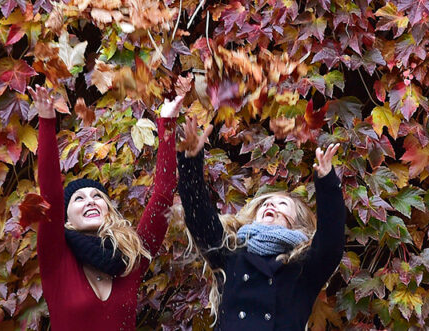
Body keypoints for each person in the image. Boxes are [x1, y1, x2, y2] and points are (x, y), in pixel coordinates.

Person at [177, 112, 346, 330]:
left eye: (283, 205)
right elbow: (199, 216)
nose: (271, 205)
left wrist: (327, 182)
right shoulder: (230, 254)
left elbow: (331, 242)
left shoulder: (304, 268)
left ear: (297, 222)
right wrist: (190, 162)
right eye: (265, 203)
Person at [33, 87, 178, 331]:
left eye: (97, 196)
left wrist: (168, 122)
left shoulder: (132, 257)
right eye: (78, 199)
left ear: (108, 210)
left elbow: (163, 194)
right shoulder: (56, 256)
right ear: (65, 217)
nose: (90, 200)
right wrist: (47, 122)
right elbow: (50, 196)